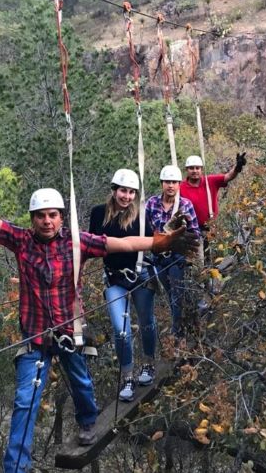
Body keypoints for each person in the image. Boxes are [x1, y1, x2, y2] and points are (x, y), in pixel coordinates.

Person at [0, 159, 197, 473]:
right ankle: (16, 467)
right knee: (25, 400)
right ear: (33, 219)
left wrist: (160, 243)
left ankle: (88, 421)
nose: (47, 221)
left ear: (61, 217)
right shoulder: (21, 241)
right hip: (35, 336)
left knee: (81, 382)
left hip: (67, 331)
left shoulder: (77, 242)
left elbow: (125, 243)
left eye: (52, 215)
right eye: (41, 216)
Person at [88, 169, 156, 402]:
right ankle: (127, 376)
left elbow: (155, 242)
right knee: (121, 329)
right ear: (114, 190)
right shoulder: (98, 214)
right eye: (123, 191)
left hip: (141, 274)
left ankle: (148, 364)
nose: (126, 196)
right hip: (114, 278)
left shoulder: (142, 216)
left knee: (146, 322)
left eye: (130, 192)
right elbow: (91, 244)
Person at [146, 165, 201, 338]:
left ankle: (178, 335)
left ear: (179, 184)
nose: (170, 185)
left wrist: (184, 239)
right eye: (167, 182)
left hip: (178, 257)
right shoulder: (151, 204)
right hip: (159, 258)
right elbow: (144, 229)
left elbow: (196, 233)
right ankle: (187, 322)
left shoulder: (185, 205)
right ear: (162, 183)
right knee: (171, 295)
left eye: (174, 182)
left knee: (177, 295)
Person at [179, 153, 246, 255]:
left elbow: (228, 176)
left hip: (210, 229)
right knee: (195, 262)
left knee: (213, 258)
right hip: (190, 231)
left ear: (201, 169)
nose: (195, 171)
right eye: (191, 168)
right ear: (186, 170)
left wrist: (237, 167)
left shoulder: (210, 181)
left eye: (197, 168)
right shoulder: (180, 187)